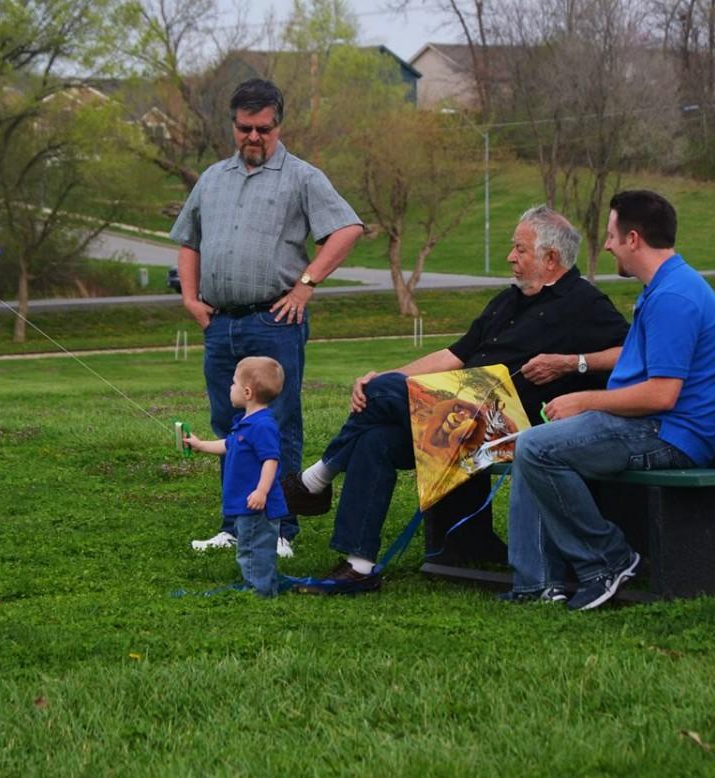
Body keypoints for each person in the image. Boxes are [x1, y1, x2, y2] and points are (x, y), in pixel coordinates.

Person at [282, 205, 630, 594]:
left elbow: (634, 352)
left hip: (507, 428)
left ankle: (316, 480)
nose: (510, 257)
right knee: (375, 438)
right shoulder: (508, 300)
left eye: (520, 249)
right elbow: (453, 357)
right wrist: (387, 374)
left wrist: (573, 363)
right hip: (459, 417)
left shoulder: (585, 303)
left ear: (551, 259)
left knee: (381, 394)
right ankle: (359, 566)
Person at [504, 190, 715, 611]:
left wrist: (585, 402)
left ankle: (607, 560)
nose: (606, 245)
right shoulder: (662, 287)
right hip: (649, 425)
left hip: (670, 435)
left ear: (633, 239)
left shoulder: (673, 297)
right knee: (534, 441)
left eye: (611, 235)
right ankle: (536, 583)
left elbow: (664, 395)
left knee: (538, 447)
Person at [170, 79, 364, 556]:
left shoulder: (302, 177)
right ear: (232, 125)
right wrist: (192, 300)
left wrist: (307, 284)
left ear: (278, 124)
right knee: (230, 426)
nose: (253, 137)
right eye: (244, 128)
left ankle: (278, 529)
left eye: (263, 128)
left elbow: (347, 229)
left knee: (274, 426)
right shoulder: (212, 178)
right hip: (220, 325)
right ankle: (236, 525)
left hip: (273, 322)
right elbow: (188, 241)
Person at [183, 357, 289, 597]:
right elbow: (228, 445)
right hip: (245, 501)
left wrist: (262, 491)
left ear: (248, 392)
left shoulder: (262, 426)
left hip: (257, 504)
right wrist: (200, 445)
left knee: (254, 547)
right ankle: (258, 583)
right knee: (248, 543)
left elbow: (271, 460)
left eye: (233, 384)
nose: (230, 388)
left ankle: (259, 590)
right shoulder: (246, 423)